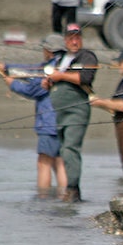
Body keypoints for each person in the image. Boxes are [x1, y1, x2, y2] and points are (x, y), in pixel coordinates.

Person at [0, 33, 67, 196]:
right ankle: (65, 198)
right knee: (59, 162)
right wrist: (5, 67)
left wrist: (12, 83)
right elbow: (32, 71)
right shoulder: (62, 66)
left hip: (49, 123)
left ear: (49, 51)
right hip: (64, 121)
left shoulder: (50, 68)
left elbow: (34, 89)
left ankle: (43, 200)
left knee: (43, 162)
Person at [42, 23, 97, 202]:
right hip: (60, 112)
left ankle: (73, 189)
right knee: (63, 150)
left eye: (77, 37)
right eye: (71, 38)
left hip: (77, 109)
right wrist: (49, 82)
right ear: (65, 40)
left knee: (70, 148)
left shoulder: (87, 56)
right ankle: (70, 189)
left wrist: (61, 76)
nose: (74, 41)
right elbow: (54, 78)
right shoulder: (60, 59)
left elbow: (85, 77)